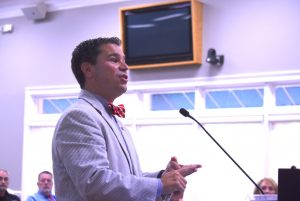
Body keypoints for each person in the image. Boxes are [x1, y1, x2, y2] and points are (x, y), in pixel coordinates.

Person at [52, 37, 201, 201]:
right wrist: (160, 185)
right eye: (114, 60)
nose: (125, 67)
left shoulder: (113, 120)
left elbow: (128, 177)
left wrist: (163, 179)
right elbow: (94, 183)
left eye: (124, 60)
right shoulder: (79, 116)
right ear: (88, 69)